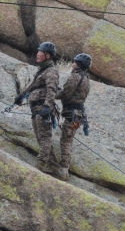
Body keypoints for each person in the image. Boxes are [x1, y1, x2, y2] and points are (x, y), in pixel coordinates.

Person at [14, 42, 60, 174]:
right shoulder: (42, 70)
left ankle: (40, 165)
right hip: (35, 109)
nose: (37, 54)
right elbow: (32, 85)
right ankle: (55, 167)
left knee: (45, 138)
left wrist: (47, 106)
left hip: (42, 108)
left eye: (41, 52)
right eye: (38, 52)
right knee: (40, 139)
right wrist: (21, 96)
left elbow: (52, 90)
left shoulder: (51, 72)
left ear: (48, 55)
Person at [54, 53, 92, 181]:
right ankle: (65, 169)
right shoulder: (86, 79)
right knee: (68, 140)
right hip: (78, 116)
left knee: (65, 141)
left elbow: (66, 93)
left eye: (74, 62)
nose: (72, 64)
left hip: (72, 115)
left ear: (79, 65)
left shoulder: (75, 77)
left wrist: (53, 94)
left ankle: (63, 171)